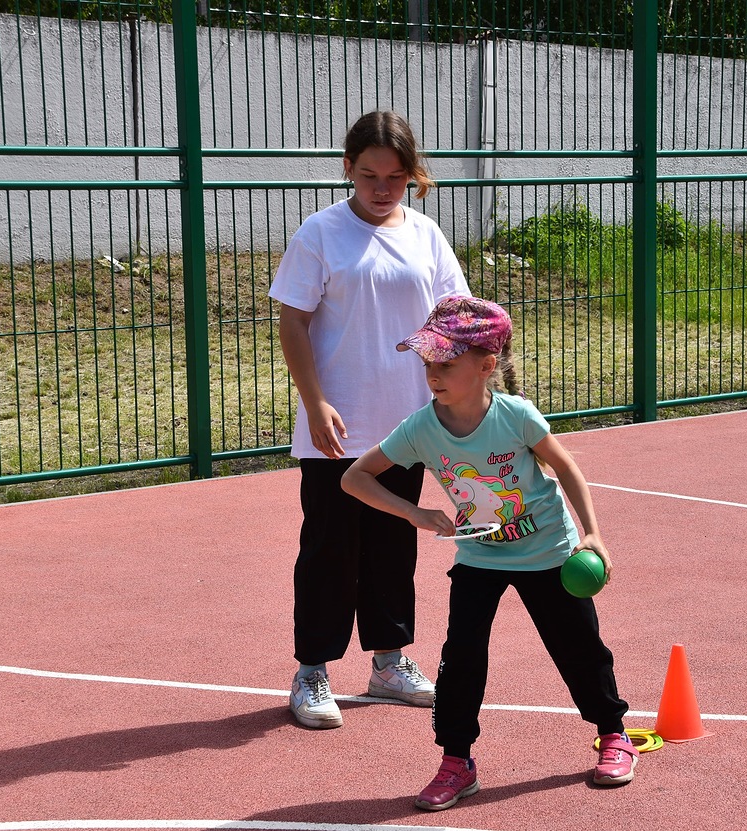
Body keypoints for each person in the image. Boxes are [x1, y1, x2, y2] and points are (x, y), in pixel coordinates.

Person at [341, 296, 638, 809]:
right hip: (480, 555)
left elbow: (566, 469)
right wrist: (414, 514)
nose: (433, 374)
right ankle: (457, 760)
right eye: (428, 362)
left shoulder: (516, 416)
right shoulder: (420, 428)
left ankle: (612, 734)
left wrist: (592, 535)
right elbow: (354, 478)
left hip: (548, 550)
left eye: (447, 364)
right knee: (460, 660)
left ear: (486, 366)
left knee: (578, 647)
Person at [268, 111, 470, 729]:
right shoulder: (320, 234)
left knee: (392, 543)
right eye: (368, 175)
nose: (382, 188)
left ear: (413, 176)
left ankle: (388, 660)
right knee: (329, 547)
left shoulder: (426, 235)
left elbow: (453, 315)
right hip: (338, 422)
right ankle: (313, 671)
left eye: (396, 177)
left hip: (405, 422)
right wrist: (315, 399)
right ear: (348, 170)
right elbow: (292, 321)